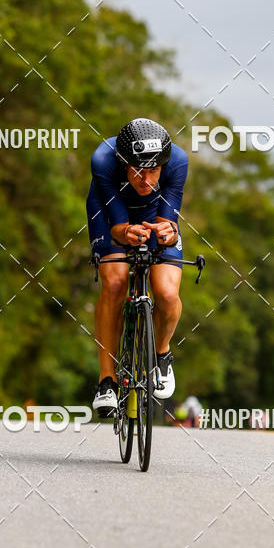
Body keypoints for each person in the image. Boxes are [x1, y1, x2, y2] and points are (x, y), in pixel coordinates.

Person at [87, 118, 188, 414]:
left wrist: (168, 234)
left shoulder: (177, 161)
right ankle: (106, 380)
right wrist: (125, 232)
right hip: (109, 212)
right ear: (124, 163)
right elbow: (118, 227)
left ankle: (162, 354)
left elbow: (168, 222)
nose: (146, 180)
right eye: (138, 170)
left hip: (154, 213)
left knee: (167, 293)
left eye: (154, 170)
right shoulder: (103, 160)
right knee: (115, 281)